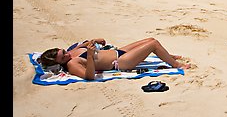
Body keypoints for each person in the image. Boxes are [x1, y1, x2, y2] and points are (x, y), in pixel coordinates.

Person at [38, 37, 191, 80]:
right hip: (120, 63)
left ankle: (168, 56)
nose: (67, 54)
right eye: (63, 57)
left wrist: (94, 41)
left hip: (118, 52)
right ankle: (176, 65)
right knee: (153, 44)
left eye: (63, 51)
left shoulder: (72, 52)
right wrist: (90, 57)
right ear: (59, 63)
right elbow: (88, 76)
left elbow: (84, 44)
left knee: (150, 39)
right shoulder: (72, 64)